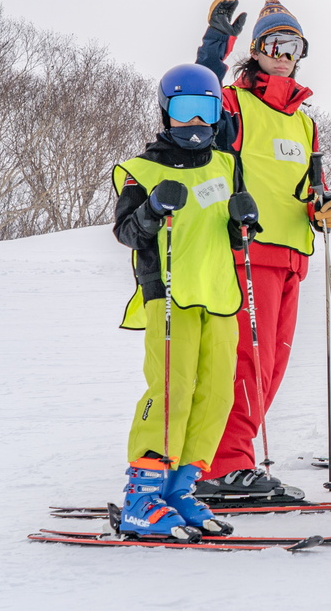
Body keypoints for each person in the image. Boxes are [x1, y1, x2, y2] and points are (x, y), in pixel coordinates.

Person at [192, 0, 331, 499]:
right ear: (255, 50)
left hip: (292, 257)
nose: (283, 55)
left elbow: (310, 185)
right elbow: (195, 99)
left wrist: (323, 205)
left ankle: (229, 460)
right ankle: (223, 465)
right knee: (244, 364)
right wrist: (215, 45)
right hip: (246, 252)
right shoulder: (233, 104)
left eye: (293, 46)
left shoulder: (305, 122)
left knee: (271, 369)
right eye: (274, 44)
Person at [112, 64, 261, 537]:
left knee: (217, 393)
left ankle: (180, 489)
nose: (195, 122)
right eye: (184, 110)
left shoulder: (227, 165)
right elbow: (127, 233)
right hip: (169, 294)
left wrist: (244, 224)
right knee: (171, 391)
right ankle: (142, 496)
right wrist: (153, 209)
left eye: (205, 110)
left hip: (220, 296)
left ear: (217, 114)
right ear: (166, 113)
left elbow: (237, 238)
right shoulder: (140, 169)